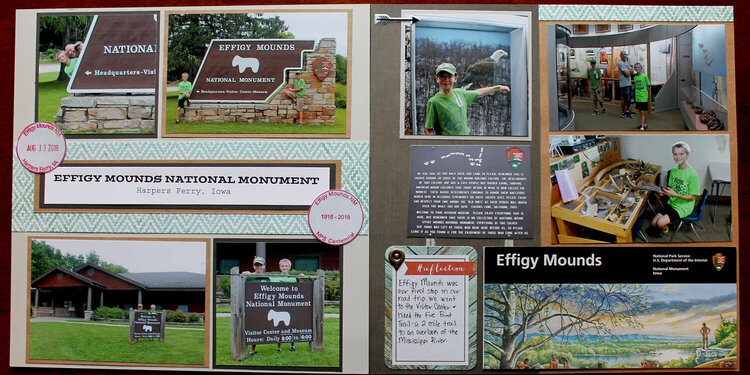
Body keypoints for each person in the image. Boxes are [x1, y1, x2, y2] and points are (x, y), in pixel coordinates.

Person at [424, 62, 510, 135]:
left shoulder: (461, 93)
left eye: (449, 76)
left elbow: (479, 92)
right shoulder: (433, 102)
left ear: (455, 78)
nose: (446, 79)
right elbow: (428, 129)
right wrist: (437, 147)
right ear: (437, 79)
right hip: (447, 148)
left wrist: (498, 87)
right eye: (442, 76)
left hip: (464, 145)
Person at [650, 141, 701, 237]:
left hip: (684, 206)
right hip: (672, 202)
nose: (678, 157)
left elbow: (692, 197)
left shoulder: (693, 175)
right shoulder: (673, 171)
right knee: (654, 223)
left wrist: (675, 195)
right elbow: (671, 189)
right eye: (675, 154)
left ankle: (666, 230)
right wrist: (664, 192)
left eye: (681, 154)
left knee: (660, 223)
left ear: (687, 155)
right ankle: (666, 226)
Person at [270, 258, 299, 352]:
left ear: (289, 267)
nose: (284, 267)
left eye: (286, 266)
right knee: (279, 326)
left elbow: (299, 288)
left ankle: (292, 345)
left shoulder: (293, 279)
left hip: (290, 304)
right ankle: (278, 346)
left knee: (291, 324)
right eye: (282, 266)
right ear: (279, 267)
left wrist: (302, 276)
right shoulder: (275, 278)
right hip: (280, 304)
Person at [241, 256, 268, 356]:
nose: (258, 267)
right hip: (250, 307)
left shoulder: (268, 278)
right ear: (253, 266)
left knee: (258, 328)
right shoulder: (248, 277)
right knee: (249, 328)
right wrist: (243, 274)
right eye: (257, 265)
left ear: (264, 266)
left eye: (260, 265)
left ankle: (253, 349)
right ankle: (247, 349)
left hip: (263, 307)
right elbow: (239, 282)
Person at [632, 62, 651, 130]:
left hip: (643, 97)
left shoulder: (644, 76)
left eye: (638, 67)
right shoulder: (635, 77)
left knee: (643, 111)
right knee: (640, 111)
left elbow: (648, 85)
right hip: (638, 97)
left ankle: (642, 126)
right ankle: (644, 123)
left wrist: (646, 94)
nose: (637, 69)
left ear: (641, 68)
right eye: (636, 67)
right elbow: (635, 86)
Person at [618, 50, 634, 119]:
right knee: (625, 99)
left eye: (625, 54)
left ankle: (627, 110)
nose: (624, 55)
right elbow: (627, 74)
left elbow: (632, 71)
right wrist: (629, 71)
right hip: (624, 84)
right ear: (620, 56)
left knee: (629, 98)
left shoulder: (627, 62)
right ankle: (623, 113)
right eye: (623, 54)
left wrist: (629, 71)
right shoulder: (620, 63)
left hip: (629, 83)